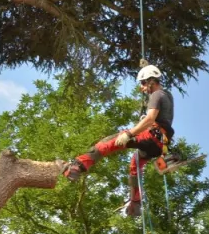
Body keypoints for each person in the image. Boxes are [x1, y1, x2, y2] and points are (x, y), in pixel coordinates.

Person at [62, 61, 174, 217]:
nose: (141, 87)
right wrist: (145, 68)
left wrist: (129, 133)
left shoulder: (156, 94)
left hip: (151, 135)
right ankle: (135, 203)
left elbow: (149, 119)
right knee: (135, 163)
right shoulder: (167, 95)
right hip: (160, 144)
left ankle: (77, 167)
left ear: (152, 81)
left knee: (108, 142)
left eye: (143, 83)